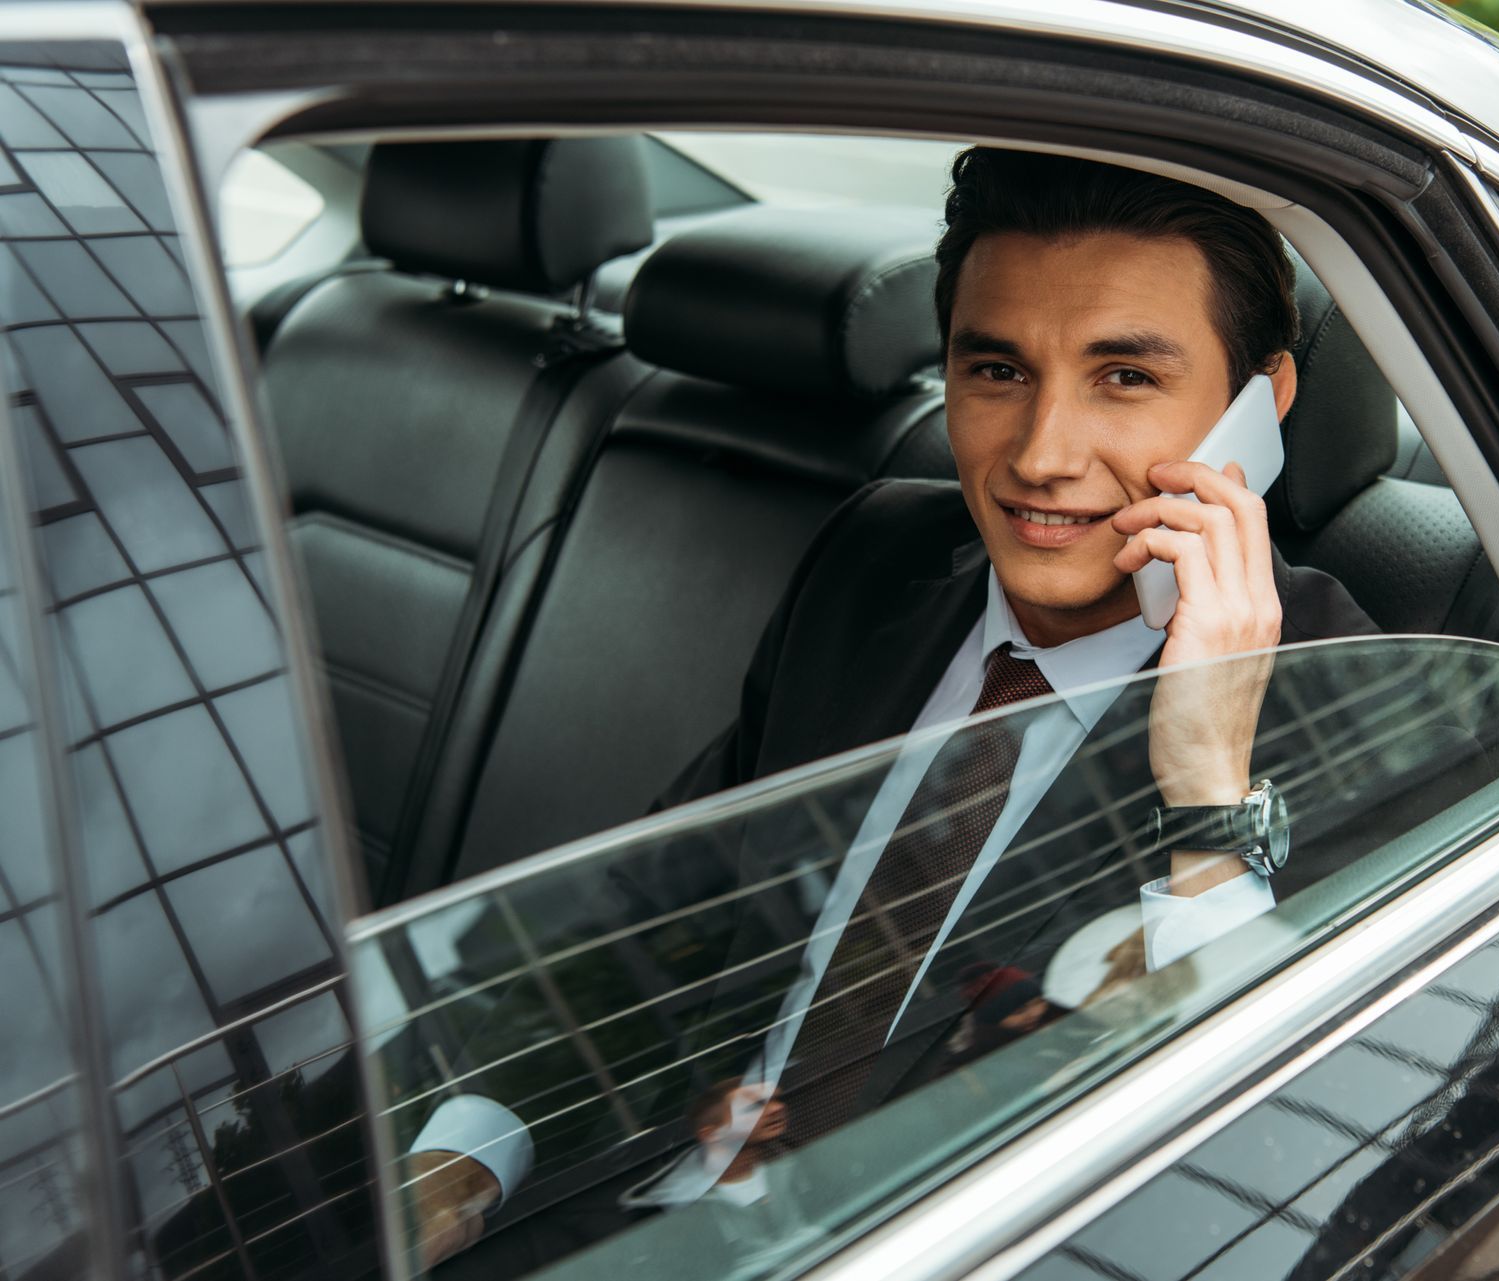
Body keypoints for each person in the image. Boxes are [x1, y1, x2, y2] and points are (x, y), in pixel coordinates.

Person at [399, 146, 1378, 1266]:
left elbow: (1252, 1186)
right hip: (666, 1210)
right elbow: (660, 906)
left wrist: (1206, 788)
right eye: (997, 369)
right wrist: (463, 1155)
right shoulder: (874, 557)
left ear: (1262, 404)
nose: (1042, 456)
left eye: (1124, 378)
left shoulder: (1371, 696)